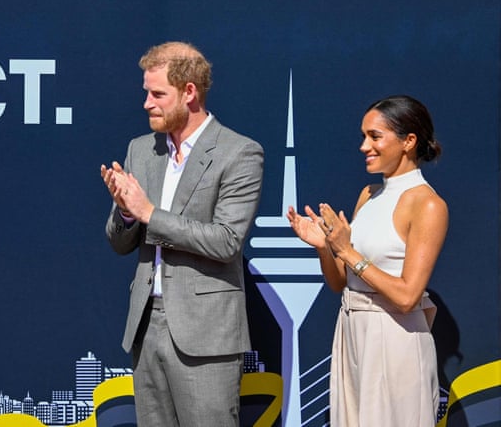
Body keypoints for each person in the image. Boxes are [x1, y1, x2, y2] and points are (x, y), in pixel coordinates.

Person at [101, 42, 264, 427]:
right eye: (146, 92)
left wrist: (148, 213)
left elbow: (226, 241)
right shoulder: (141, 150)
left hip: (205, 333)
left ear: (189, 92)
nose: (146, 103)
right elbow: (119, 241)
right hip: (146, 326)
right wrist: (126, 213)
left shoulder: (239, 153)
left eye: (158, 94)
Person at [287, 95, 448, 427]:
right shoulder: (368, 194)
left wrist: (346, 251)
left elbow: (407, 297)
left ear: (409, 141)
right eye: (364, 136)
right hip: (350, 331)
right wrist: (324, 247)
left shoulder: (428, 205)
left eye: (375, 136)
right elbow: (340, 282)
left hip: (395, 339)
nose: (364, 146)